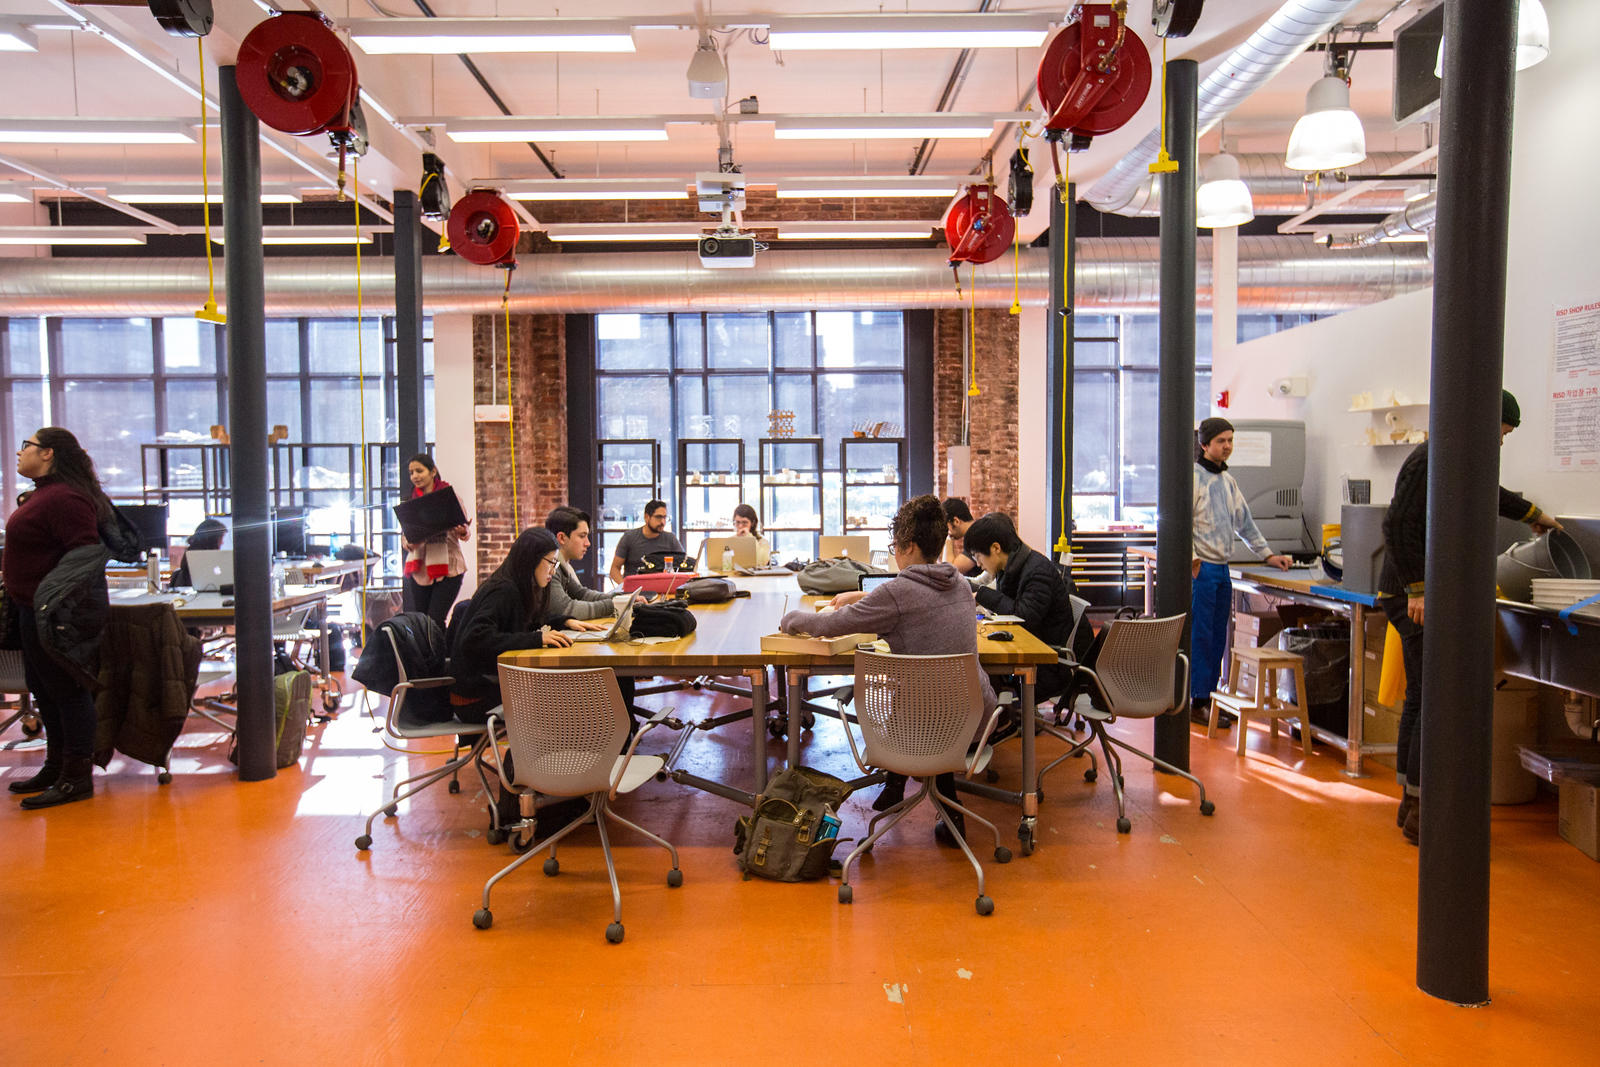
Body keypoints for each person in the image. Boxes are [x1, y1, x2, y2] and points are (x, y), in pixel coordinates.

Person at [1379, 389, 1561, 845]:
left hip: (1409, 590)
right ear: (1485, 422)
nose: (1502, 442)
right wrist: (1417, 589)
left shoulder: (1454, 456)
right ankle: (1424, 812)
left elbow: (1487, 493)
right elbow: (1397, 526)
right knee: (1435, 697)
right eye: (1502, 432)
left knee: (1422, 696)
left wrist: (1534, 514)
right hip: (1413, 594)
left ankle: (1411, 803)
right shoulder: (1431, 458)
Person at [780, 495, 997, 845]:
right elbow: (911, 595)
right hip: (971, 722)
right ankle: (943, 803)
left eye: (895, 545)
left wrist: (791, 618)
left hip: (914, 732)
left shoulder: (897, 594)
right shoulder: (959, 583)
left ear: (909, 546)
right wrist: (862, 595)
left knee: (914, 704)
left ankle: (896, 788)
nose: (894, 551)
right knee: (934, 699)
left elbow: (832, 625)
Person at [3, 428, 121, 808]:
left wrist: (49, 601)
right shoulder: (47, 495)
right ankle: (56, 766)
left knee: (68, 692)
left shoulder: (65, 499)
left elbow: (83, 555)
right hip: (33, 610)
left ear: (49, 453)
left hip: (53, 613)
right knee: (45, 690)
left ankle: (76, 778)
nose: (20, 453)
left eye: (27, 446)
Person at [1190, 418, 1292, 728]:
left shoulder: (1227, 482)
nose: (1227, 446)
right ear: (1205, 444)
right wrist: (1192, 560)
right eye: (1221, 441)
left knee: (1219, 635)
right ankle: (1198, 700)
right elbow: (1175, 522)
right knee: (1202, 636)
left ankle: (1211, 696)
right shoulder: (1192, 479)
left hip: (1222, 569)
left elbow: (1244, 523)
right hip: (1202, 569)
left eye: (1230, 440)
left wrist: (1268, 555)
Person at [447, 528, 576, 724]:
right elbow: (475, 639)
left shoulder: (516, 586)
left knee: (566, 692)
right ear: (531, 560)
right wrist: (537, 638)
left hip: (489, 686)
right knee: (569, 697)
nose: (553, 571)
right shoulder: (503, 590)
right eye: (551, 562)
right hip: (474, 697)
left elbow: (527, 621)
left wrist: (563, 621)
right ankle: (533, 754)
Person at [963, 512, 1078, 704]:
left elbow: (1024, 617)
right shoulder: (1013, 567)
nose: (977, 563)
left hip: (1048, 664)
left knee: (979, 665)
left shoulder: (1037, 571)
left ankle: (1004, 716)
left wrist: (983, 596)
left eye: (978, 556)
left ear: (996, 548)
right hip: (1033, 649)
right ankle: (1000, 714)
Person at [401, 453, 469, 632]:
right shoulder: (411, 502)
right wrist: (411, 541)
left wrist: (462, 531)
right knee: (422, 622)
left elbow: (464, 530)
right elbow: (405, 539)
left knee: (435, 620)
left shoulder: (449, 496)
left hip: (449, 568)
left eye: (419, 471)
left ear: (432, 472)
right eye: (411, 472)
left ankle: (440, 659)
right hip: (420, 569)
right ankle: (428, 659)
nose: (415, 476)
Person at [545, 506, 621, 622]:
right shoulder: (549, 567)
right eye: (582, 536)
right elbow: (566, 609)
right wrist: (615, 604)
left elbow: (581, 594)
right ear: (561, 538)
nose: (588, 543)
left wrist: (621, 598)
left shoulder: (563, 565)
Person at [608, 499, 684, 585]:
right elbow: (614, 569)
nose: (662, 522)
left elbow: (684, 565)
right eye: (658, 517)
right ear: (647, 517)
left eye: (664, 517)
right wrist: (624, 587)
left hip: (662, 589)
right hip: (635, 590)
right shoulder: (629, 537)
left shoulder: (671, 538)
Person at [170, 517, 226, 590]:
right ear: (213, 539)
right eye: (221, 538)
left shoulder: (190, 553)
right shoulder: (201, 557)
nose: (222, 542)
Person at [941, 497, 981, 577]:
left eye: (945, 527)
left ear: (956, 521)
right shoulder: (975, 532)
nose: (944, 531)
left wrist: (947, 539)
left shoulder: (977, 536)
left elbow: (947, 572)